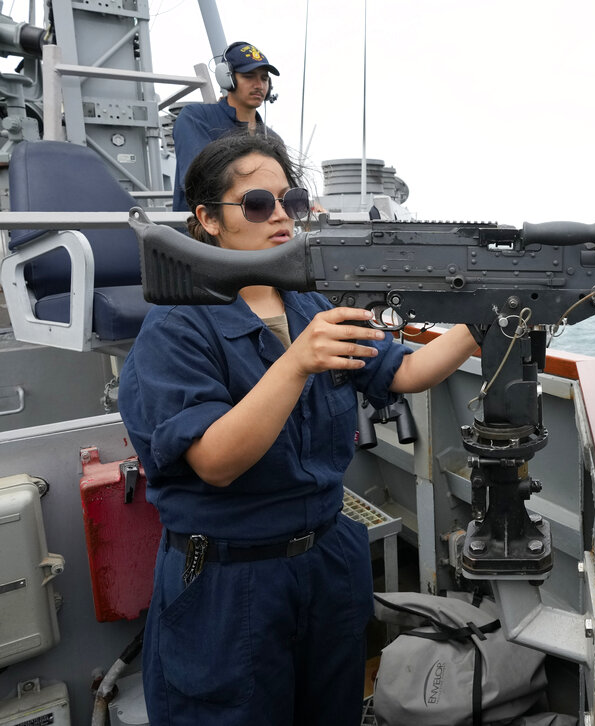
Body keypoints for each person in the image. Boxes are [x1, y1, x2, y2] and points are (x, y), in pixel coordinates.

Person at [119, 132, 479, 725]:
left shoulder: (308, 307)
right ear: (208, 220)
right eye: (258, 203)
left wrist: (502, 315)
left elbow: (407, 371)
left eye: (292, 199)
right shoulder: (178, 327)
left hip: (327, 561)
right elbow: (215, 460)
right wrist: (295, 362)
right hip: (230, 581)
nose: (281, 215)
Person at [171, 41, 283, 211]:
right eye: (248, 76)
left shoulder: (273, 138)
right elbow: (197, 182)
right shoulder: (195, 118)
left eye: (264, 78)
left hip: (257, 229)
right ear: (227, 79)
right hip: (201, 233)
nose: (259, 85)